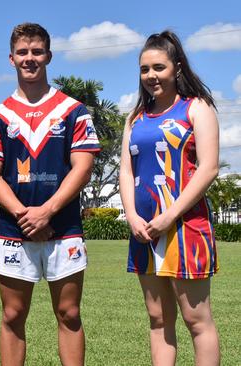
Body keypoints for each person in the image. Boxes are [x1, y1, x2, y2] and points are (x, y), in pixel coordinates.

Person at [0, 23, 100, 365]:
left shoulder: (73, 110)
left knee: (69, 313)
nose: (29, 58)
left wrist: (47, 211)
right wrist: (24, 215)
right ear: (11, 58)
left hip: (65, 228)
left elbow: (83, 167)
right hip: (15, 229)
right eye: (22, 52)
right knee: (13, 315)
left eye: (36, 51)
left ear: (48, 55)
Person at [119, 30, 220, 366]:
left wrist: (168, 217)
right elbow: (126, 172)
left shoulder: (197, 108)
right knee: (158, 319)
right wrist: (133, 216)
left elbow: (208, 169)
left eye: (158, 67)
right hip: (143, 232)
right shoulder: (134, 119)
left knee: (196, 320)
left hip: (185, 229)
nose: (151, 76)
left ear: (177, 67)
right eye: (145, 69)